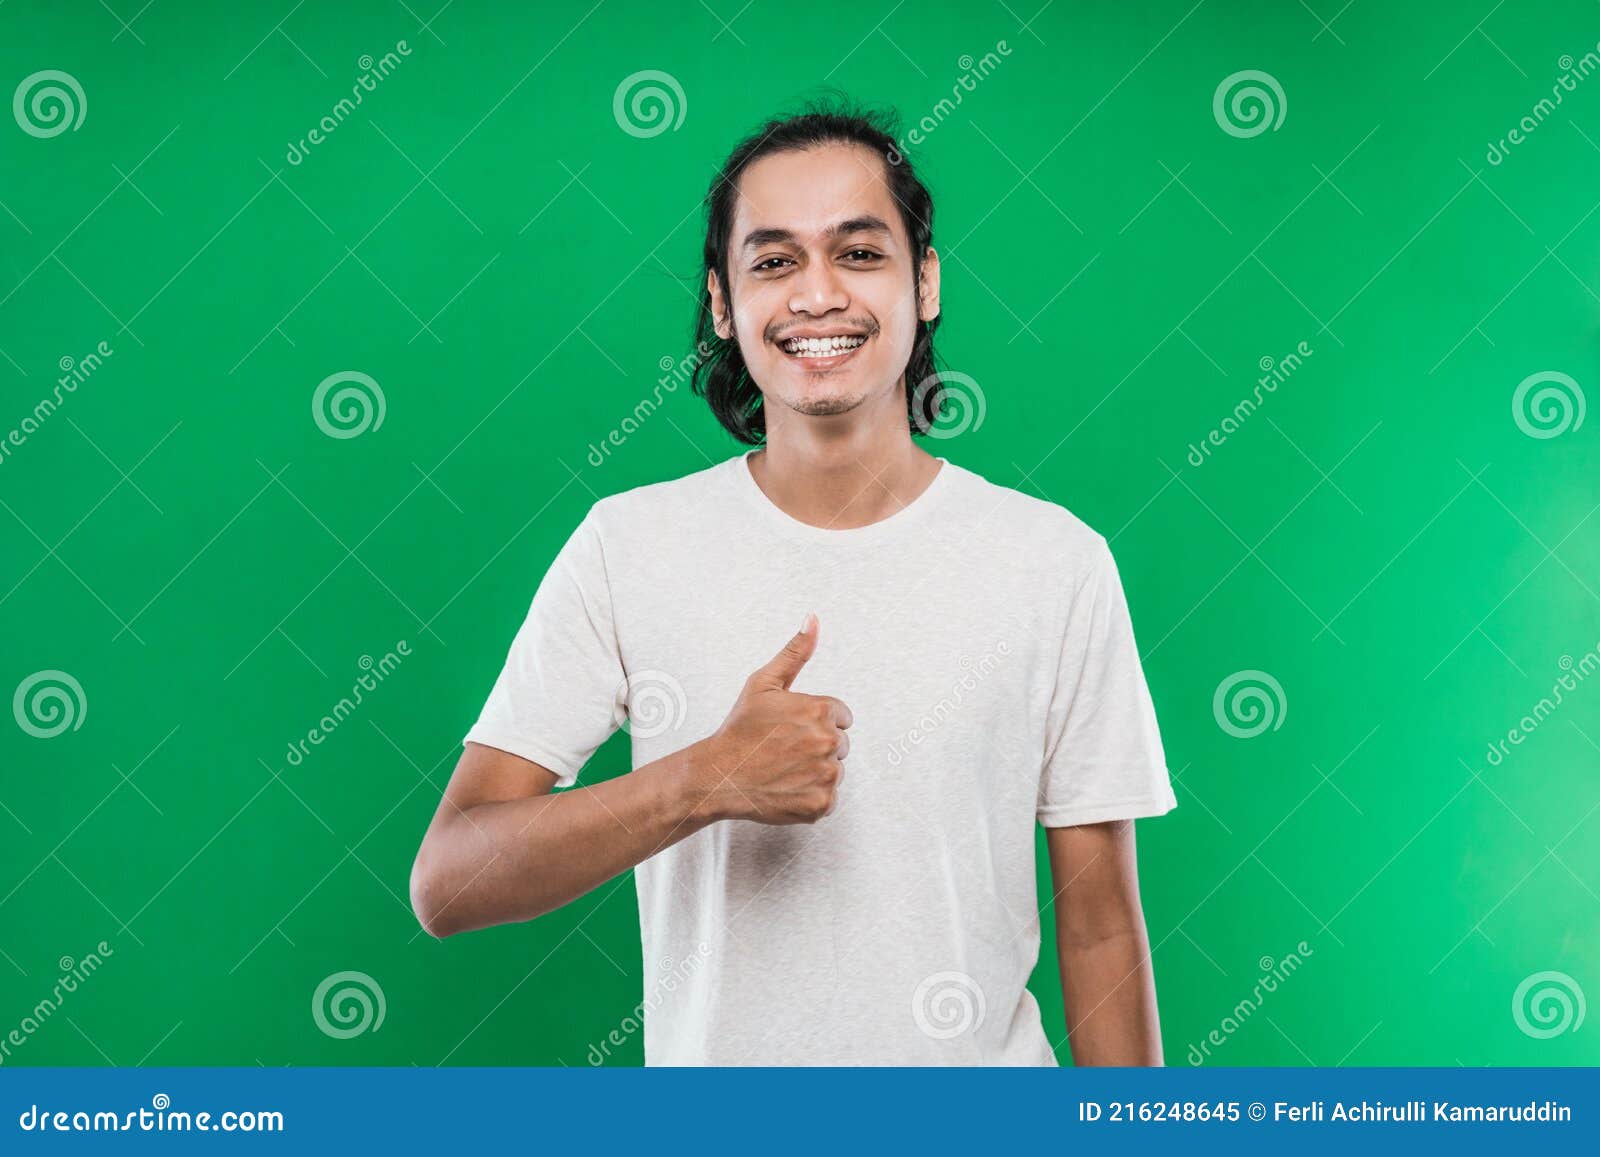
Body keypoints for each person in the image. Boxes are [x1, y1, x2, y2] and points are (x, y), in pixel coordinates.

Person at [409, 103, 1177, 1066]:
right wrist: (705, 778)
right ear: (724, 304)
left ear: (925, 281)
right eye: (773, 261)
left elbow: (1100, 924)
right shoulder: (628, 545)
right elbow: (450, 880)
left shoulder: (1055, 561)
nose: (818, 295)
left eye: (859, 252)